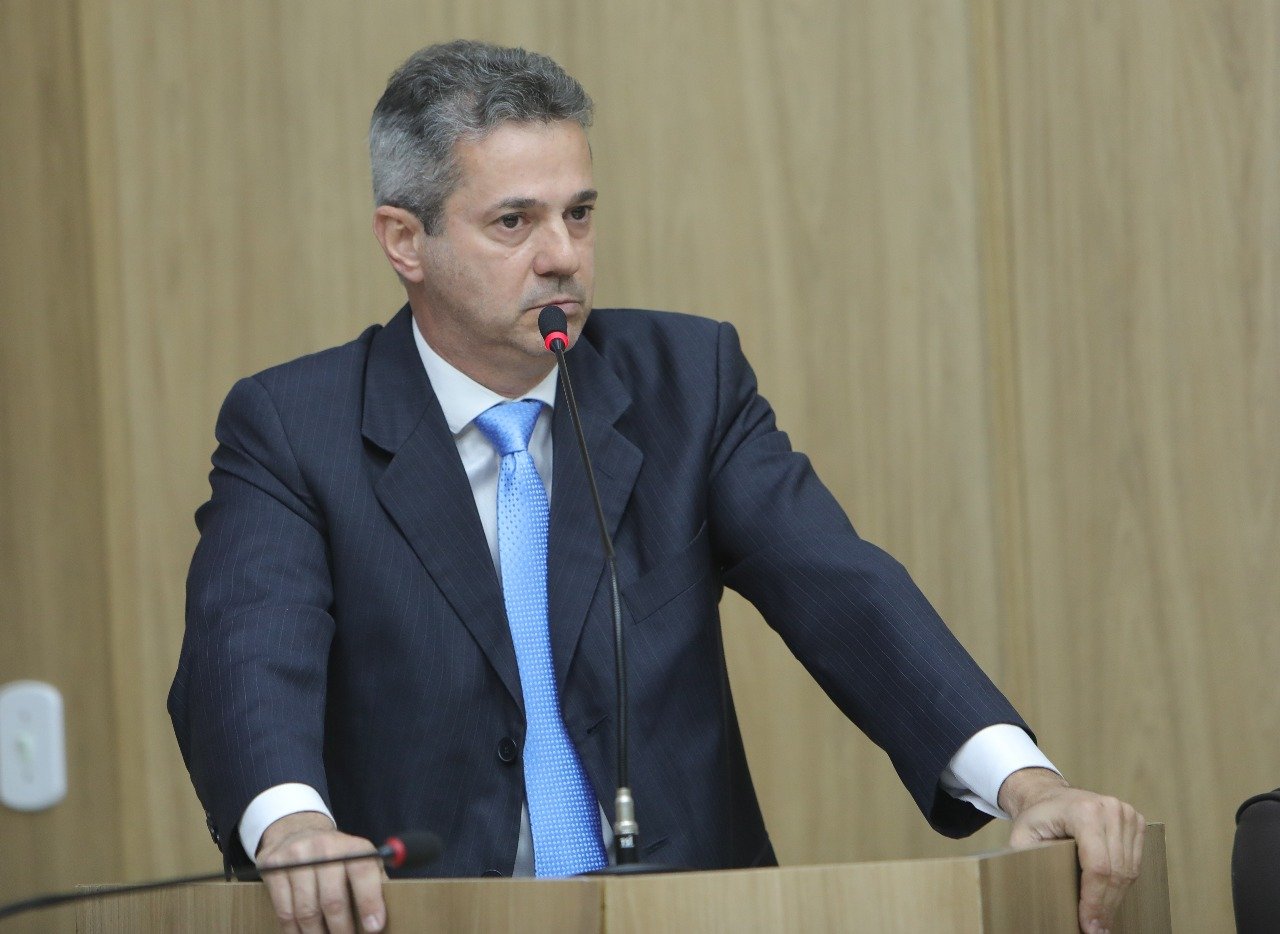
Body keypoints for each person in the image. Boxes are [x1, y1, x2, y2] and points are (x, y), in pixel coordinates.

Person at [169, 40, 1145, 934]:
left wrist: (1024, 783)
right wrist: (293, 825)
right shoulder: (295, 427)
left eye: (579, 213)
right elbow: (245, 649)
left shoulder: (686, 383)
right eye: (513, 221)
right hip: (426, 914)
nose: (562, 255)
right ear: (403, 240)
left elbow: (843, 592)